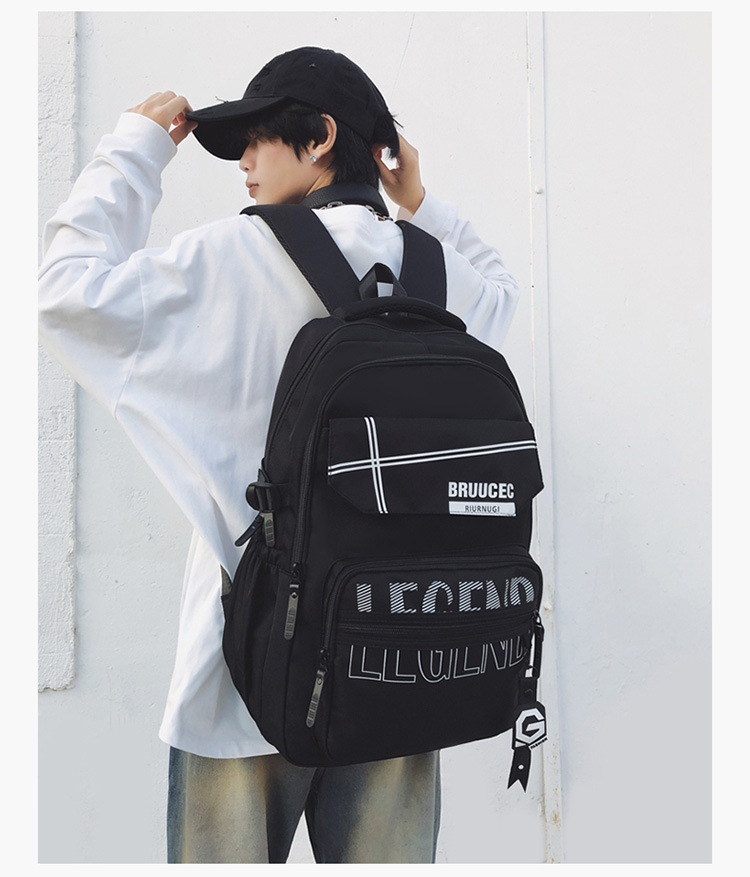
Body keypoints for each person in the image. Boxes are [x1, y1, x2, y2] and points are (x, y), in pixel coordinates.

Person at [38, 46, 521, 864]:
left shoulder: (230, 256)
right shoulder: (439, 273)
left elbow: (65, 294)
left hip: (245, 678)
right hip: (401, 662)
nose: (244, 164)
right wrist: (421, 202)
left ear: (320, 137)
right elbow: (504, 298)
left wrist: (133, 153)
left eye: (257, 138)